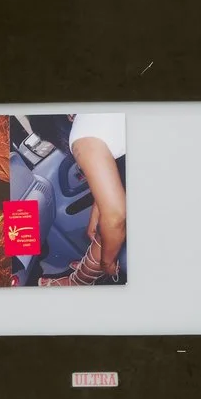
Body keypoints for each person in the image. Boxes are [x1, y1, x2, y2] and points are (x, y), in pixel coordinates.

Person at [43, 112, 126, 286]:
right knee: (104, 228)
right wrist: (96, 214)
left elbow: (116, 218)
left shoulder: (82, 136)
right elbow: (112, 178)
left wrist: (106, 263)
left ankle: (78, 281)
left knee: (107, 229)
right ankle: (86, 271)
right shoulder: (93, 119)